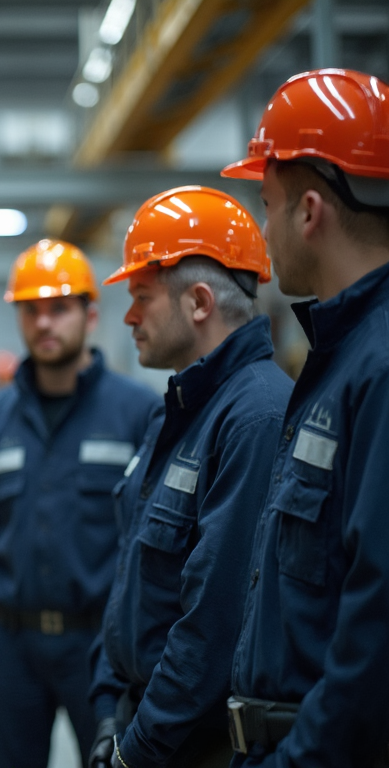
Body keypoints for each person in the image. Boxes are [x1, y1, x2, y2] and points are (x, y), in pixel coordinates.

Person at [87, 187, 293, 768]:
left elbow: (214, 620)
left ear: (198, 302)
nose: (128, 315)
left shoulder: (255, 417)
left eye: (142, 296)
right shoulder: (176, 412)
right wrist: (108, 711)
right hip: (140, 720)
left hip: (188, 746)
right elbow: (132, 570)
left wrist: (142, 747)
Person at [219, 69, 389, 766]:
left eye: (267, 204)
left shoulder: (376, 366)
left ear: (310, 212)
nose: (263, 231)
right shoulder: (337, 360)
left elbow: (377, 619)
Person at [0, 240, 160, 768]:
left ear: (90, 314)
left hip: (104, 649)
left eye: (59, 309)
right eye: (31, 310)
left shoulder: (138, 412)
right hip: (12, 648)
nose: (45, 324)